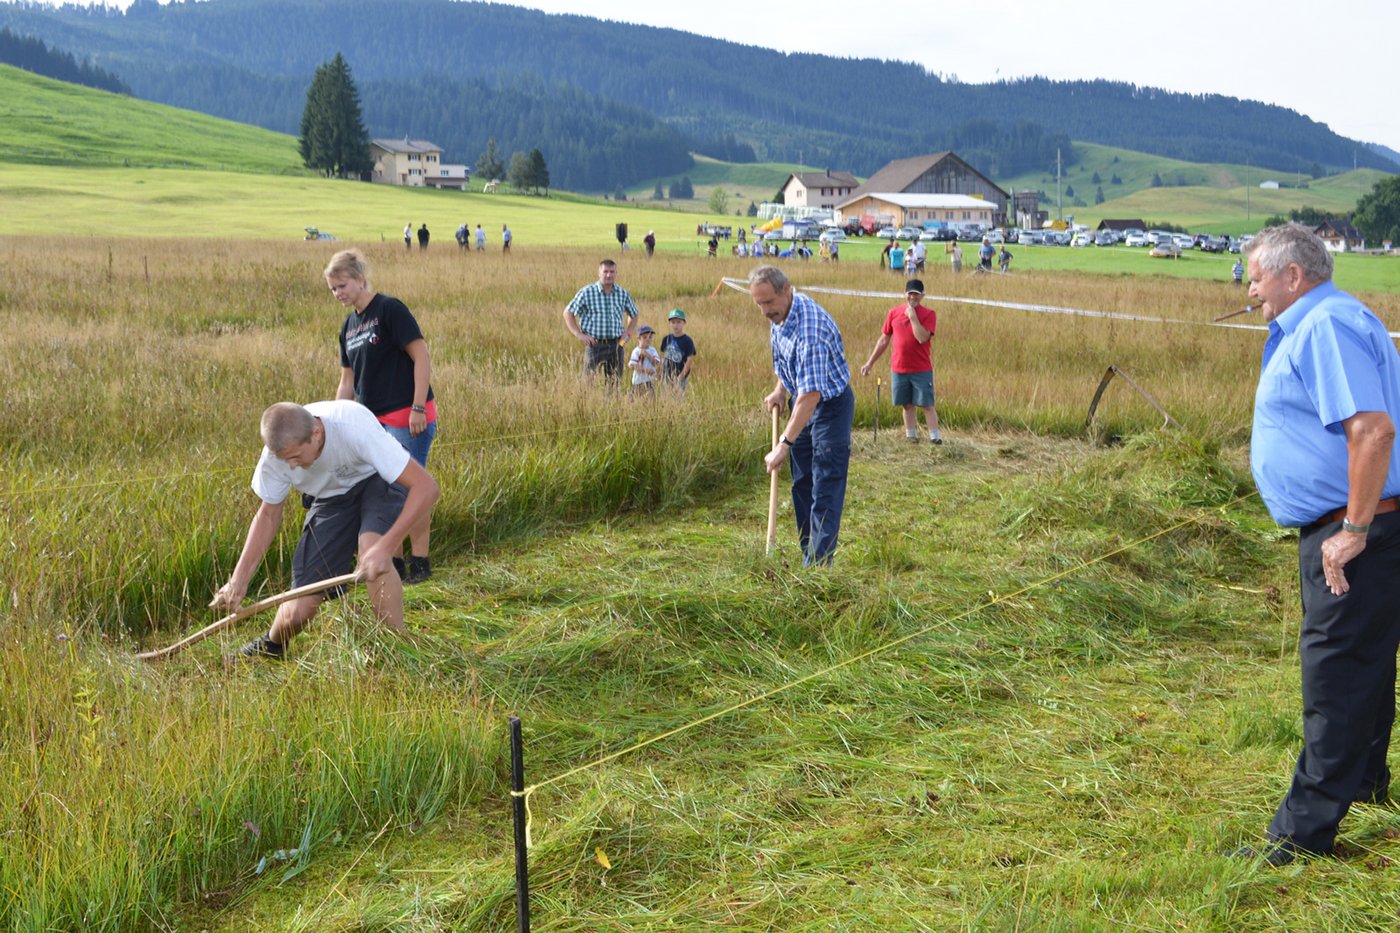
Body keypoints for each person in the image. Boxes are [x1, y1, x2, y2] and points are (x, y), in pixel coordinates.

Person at [1233, 223, 1400, 867]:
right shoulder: (1327, 319)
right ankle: (1365, 780)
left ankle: (1301, 836)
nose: (1250, 290)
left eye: (1256, 277)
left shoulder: (1325, 324)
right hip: (1353, 522)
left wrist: (1353, 531)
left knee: (1334, 674)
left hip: (1355, 528)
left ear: (1293, 275)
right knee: (1364, 660)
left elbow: (1373, 431)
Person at [211, 400, 440, 659]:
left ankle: (396, 649)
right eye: (285, 460)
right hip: (331, 499)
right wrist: (238, 582)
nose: (291, 466)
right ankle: (272, 644)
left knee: (372, 549)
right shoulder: (276, 456)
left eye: (296, 457)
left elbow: (427, 488)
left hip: (378, 479)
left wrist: (386, 547)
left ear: (316, 433)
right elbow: (267, 515)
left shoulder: (353, 426)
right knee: (299, 609)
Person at [326, 249, 438, 584]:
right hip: (372, 423)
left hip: (407, 416)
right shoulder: (348, 327)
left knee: (409, 487)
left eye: (343, 285)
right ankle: (396, 563)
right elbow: (347, 382)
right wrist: (335, 424)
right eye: (333, 289)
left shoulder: (389, 309)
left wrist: (418, 407)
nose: (338, 293)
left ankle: (421, 563)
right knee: (386, 492)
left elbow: (421, 355)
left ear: (360, 279)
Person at [751, 265, 855, 566]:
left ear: (786, 290)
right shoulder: (782, 313)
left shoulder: (811, 331)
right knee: (803, 484)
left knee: (825, 485)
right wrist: (780, 389)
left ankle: (818, 570)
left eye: (768, 302)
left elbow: (811, 396)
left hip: (829, 407)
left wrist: (783, 445)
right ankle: (808, 553)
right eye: (758, 304)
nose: (764, 311)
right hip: (802, 402)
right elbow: (790, 361)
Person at [859, 278, 942, 445]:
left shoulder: (929, 314)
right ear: (904, 294)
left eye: (916, 294)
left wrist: (913, 317)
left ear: (922, 296)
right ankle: (911, 437)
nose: (913, 297)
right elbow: (884, 340)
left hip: (921, 369)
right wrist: (870, 363)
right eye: (910, 294)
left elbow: (922, 338)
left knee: (927, 404)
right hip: (899, 369)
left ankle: (935, 438)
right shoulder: (893, 313)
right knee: (907, 404)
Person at [564, 258, 639, 386]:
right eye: (605, 272)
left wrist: (628, 333)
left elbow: (634, 314)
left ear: (616, 273)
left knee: (614, 384)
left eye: (612, 272)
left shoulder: (622, 293)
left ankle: (612, 400)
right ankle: (589, 400)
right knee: (587, 384)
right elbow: (568, 312)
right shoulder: (587, 292)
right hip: (594, 344)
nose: (609, 275)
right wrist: (579, 334)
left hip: (617, 344)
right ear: (599, 273)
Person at [660, 308, 697, 394]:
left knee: (678, 397)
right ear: (670, 323)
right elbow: (663, 357)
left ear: (684, 323)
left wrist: (681, 376)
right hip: (666, 376)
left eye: (678, 322)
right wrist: (661, 372)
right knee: (665, 397)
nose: (675, 325)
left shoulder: (687, 341)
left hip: (680, 376)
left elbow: (689, 360)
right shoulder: (666, 339)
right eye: (673, 322)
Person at [628, 325, 661, 396]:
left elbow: (656, 363)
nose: (648, 339)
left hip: (650, 381)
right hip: (638, 381)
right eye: (645, 337)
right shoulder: (636, 351)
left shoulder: (653, 350)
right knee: (634, 398)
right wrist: (645, 370)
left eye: (650, 337)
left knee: (650, 398)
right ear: (638, 338)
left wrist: (647, 355)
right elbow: (632, 365)